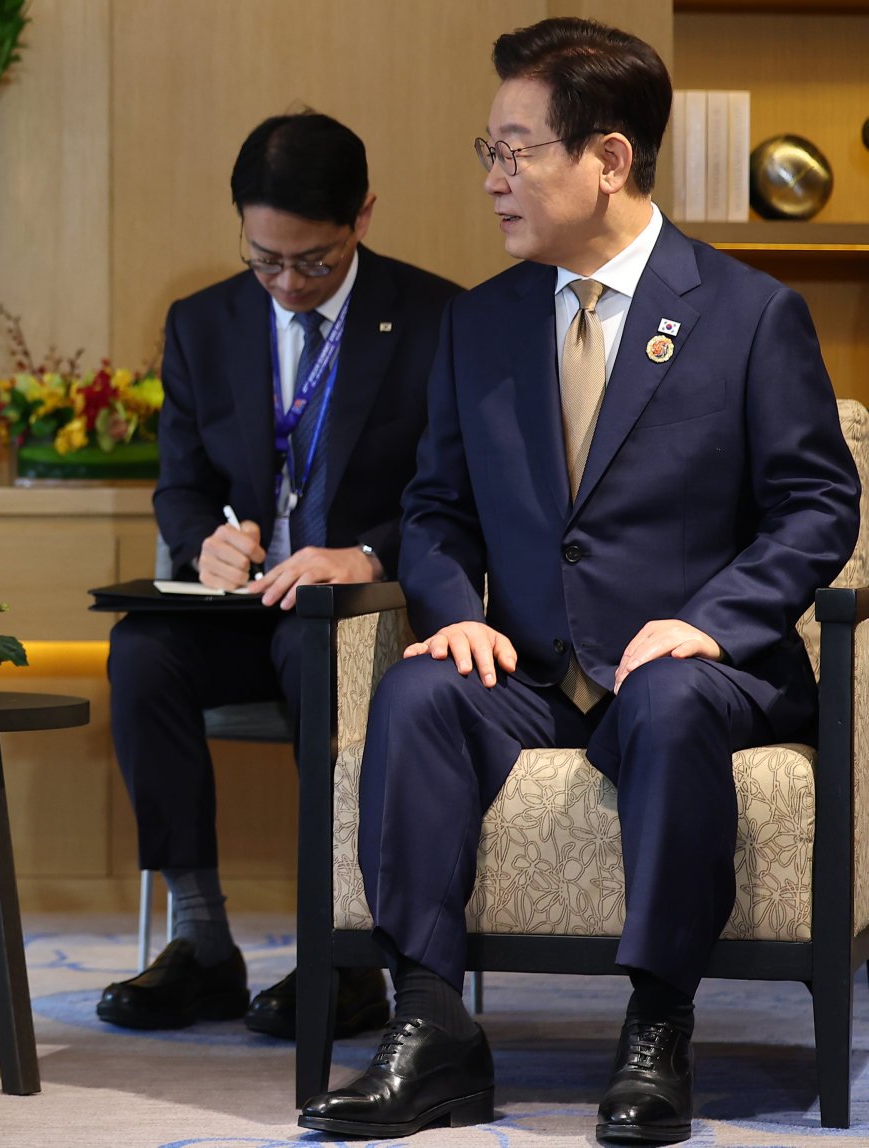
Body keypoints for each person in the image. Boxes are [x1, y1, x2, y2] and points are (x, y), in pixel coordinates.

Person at [298, 18, 858, 1144]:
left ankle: (656, 1027)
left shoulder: (748, 315)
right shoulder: (480, 320)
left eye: (515, 151)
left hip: (707, 667)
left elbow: (817, 505)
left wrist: (708, 623)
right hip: (540, 664)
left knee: (669, 695)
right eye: (487, 151)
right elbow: (435, 508)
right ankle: (431, 1025)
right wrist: (456, 614)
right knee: (413, 695)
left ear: (606, 158)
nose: (493, 179)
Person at [97, 112, 459, 1037]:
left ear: (363, 219)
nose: (289, 285)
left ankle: (344, 954)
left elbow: (454, 492)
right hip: (238, 604)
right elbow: (179, 489)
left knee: (316, 654)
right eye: (266, 262)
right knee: (141, 655)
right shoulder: (203, 323)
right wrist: (204, 542)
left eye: (315, 263)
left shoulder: (436, 320)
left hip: (361, 611)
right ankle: (200, 941)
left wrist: (366, 554)